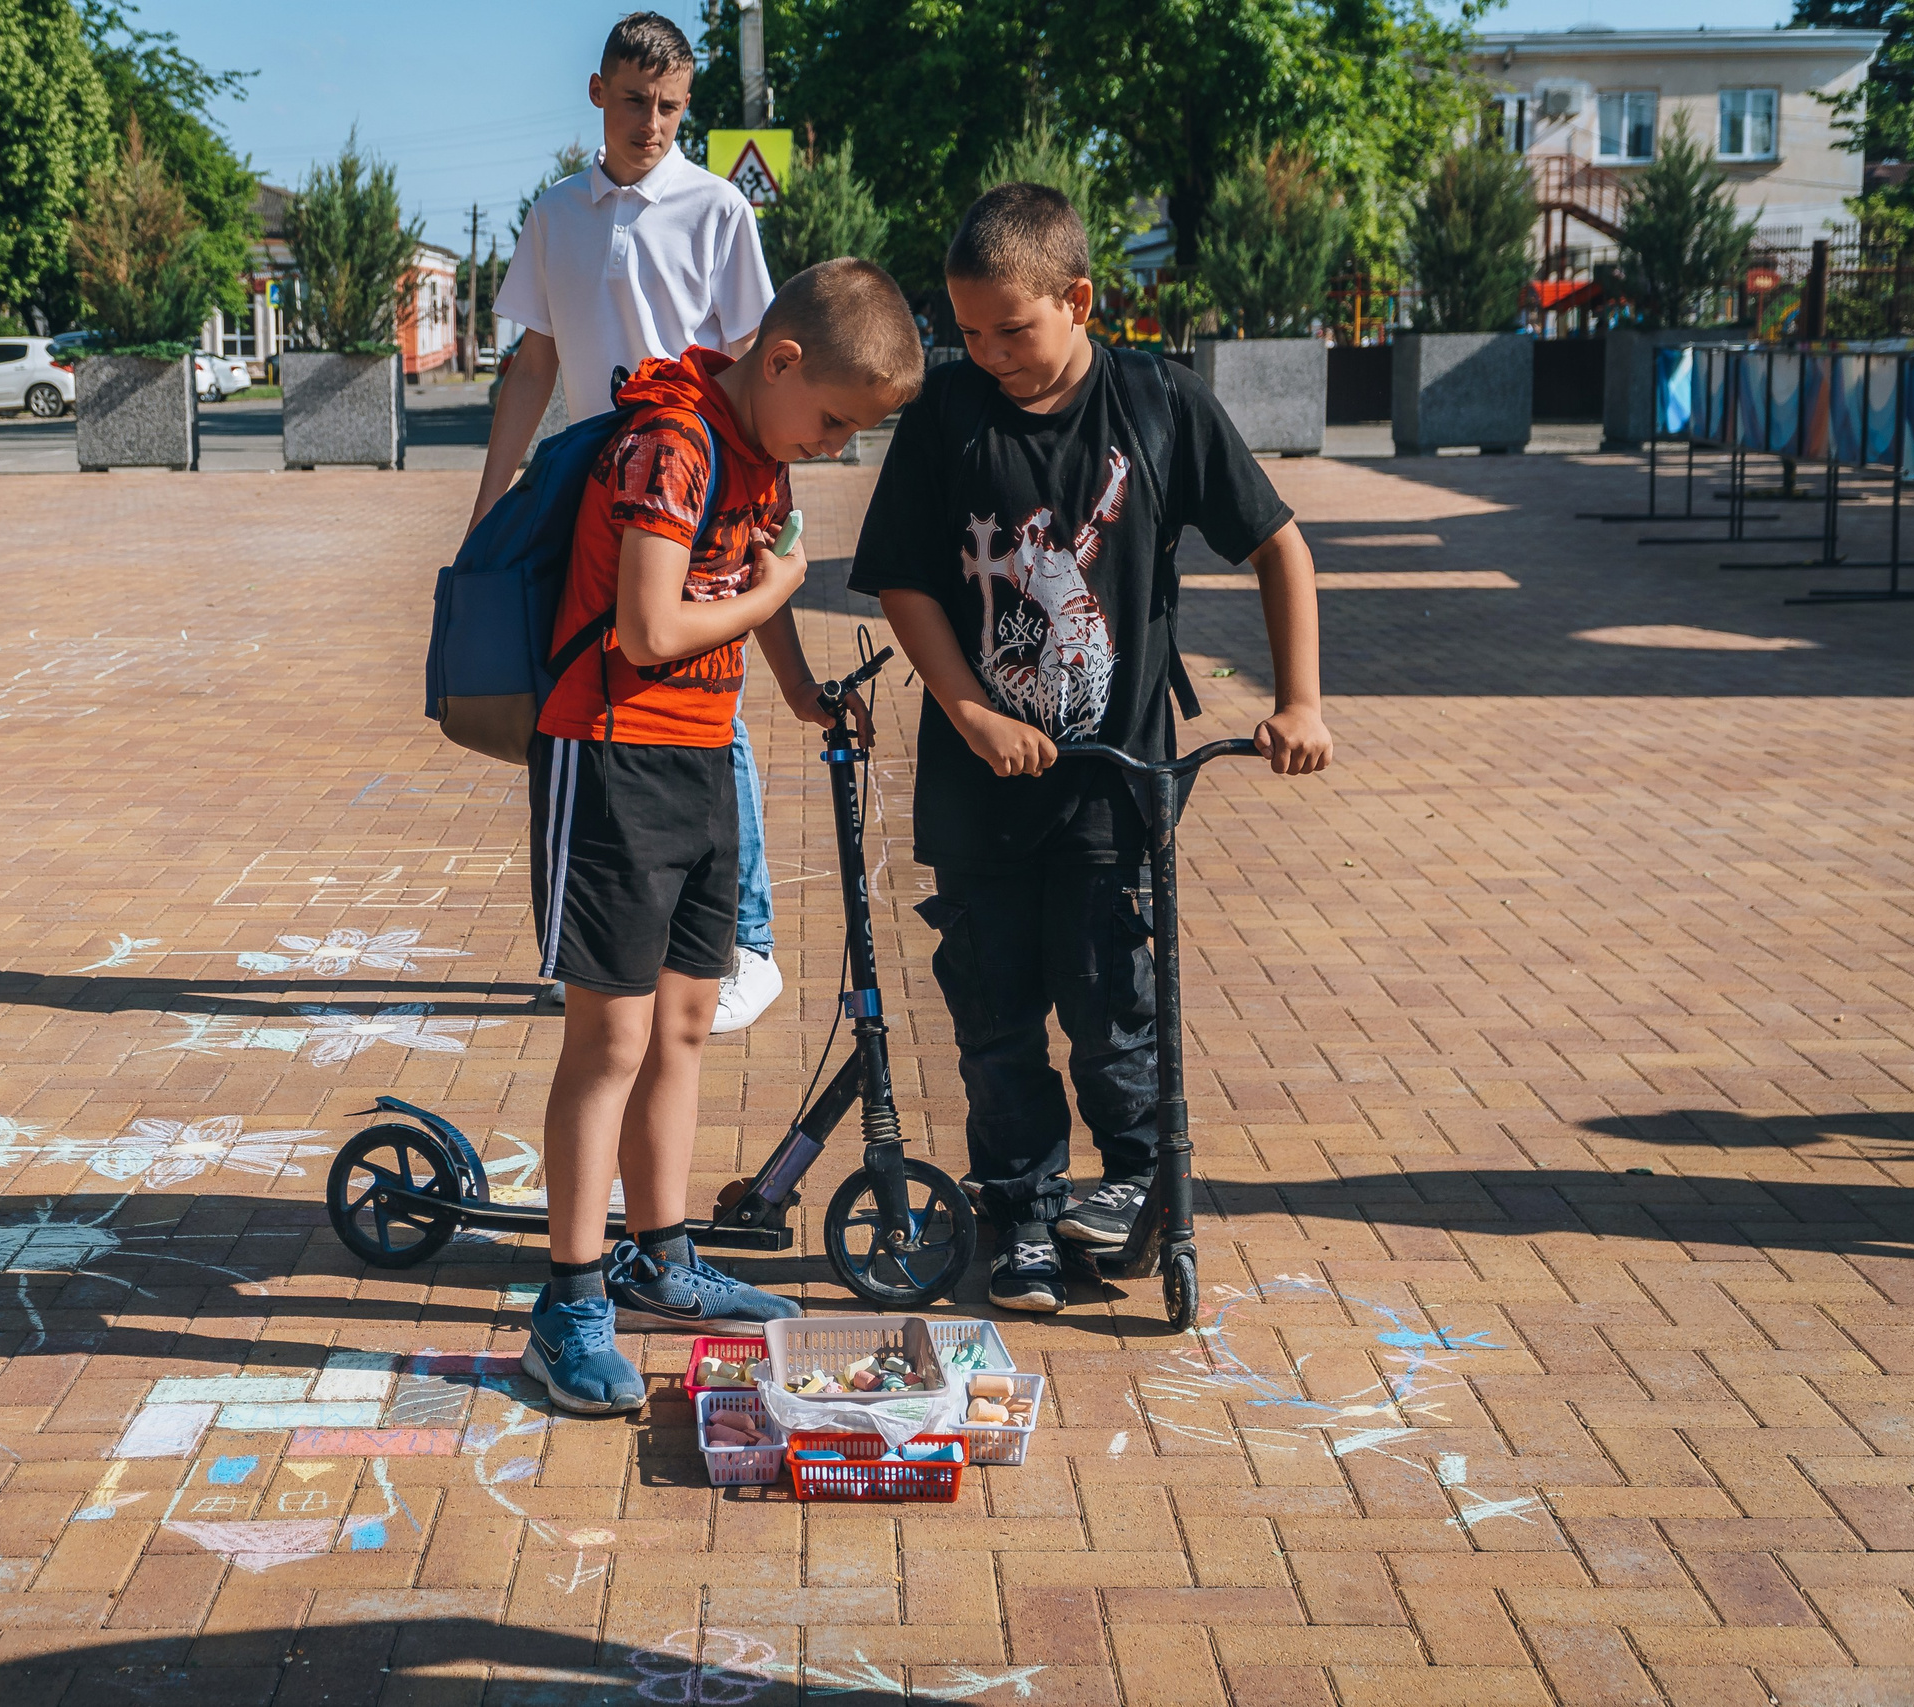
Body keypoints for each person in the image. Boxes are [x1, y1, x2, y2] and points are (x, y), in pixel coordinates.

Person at [847, 184, 1333, 1315]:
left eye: (1009, 330)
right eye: (966, 332)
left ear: (1078, 298)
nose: (986, 354)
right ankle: (1020, 1213)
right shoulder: (947, 415)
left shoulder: (1157, 405)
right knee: (996, 1017)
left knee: (1113, 1008)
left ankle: (1129, 1184)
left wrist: (1301, 701)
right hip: (979, 791)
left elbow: (1279, 546)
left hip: (1116, 791)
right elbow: (906, 581)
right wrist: (970, 713)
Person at [522, 260, 924, 1413]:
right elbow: (650, 628)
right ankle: (569, 1303)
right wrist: (779, 587)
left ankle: (661, 1259)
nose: (834, 448)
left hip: (704, 760)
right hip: (610, 756)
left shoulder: (757, 453)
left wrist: (796, 689)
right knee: (609, 1040)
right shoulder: (672, 445)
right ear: (781, 361)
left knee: (683, 1025)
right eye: (833, 421)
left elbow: (752, 587)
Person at [481, 11, 790, 1035]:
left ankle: (747, 942)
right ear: (596, 95)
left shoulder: (717, 210)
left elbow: (756, 363)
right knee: (582, 695)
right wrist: (487, 511)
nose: (649, 123)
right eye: (632, 101)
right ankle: (595, 947)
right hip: (592, 484)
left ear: (686, 105)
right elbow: (533, 365)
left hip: (695, 478)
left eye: (668, 106)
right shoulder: (555, 213)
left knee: (708, 704)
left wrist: (765, 498)